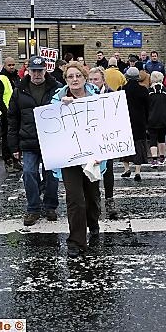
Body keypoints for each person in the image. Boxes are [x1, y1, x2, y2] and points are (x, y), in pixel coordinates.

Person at [50, 61, 105, 258]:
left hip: (92, 156)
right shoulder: (57, 100)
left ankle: (93, 222)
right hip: (69, 157)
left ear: (84, 78)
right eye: (70, 76)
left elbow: (105, 127)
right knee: (75, 199)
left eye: (78, 76)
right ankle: (76, 241)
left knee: (91, 196)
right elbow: (51, 127)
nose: (74, 80)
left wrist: (101, 153)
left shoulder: (96, 98)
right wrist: (60, 109)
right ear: (65, 80)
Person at [7, 55, 62, 226]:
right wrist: (13, 146)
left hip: (51, 141)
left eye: (40, 70)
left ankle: (50, 206)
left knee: (52, 176)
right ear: (28, 71)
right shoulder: (19, 91)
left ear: (45, 70)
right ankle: (33, 208)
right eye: (34, 70)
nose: (37, 74)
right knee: (29, 173)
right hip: (29, 140)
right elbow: (12, 120)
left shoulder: (57, 89)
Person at [88, 67, 116, 214]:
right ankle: (96, 200)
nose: (93, 82)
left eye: (96, 79)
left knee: (108, 169)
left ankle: (110, 200)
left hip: (107, 138)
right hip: (91, 138)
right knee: (93, 170)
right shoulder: (85, 94)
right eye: (90, 80)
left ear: (103, 80)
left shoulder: (111, 94)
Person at [120, 67, 149, 181]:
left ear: (127, 77)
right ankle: (137, 171)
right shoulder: (143, 90)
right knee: (139, 145)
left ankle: (126, 169)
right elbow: (148, 107)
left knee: (126, 145)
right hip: (140, 121)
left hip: (125, 120)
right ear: (138, 77)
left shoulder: (122, 89)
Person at [0, 56, 21, 173]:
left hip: (16, 113)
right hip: (7, 114)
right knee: (6, 139)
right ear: (4, 66)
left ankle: (16, 161)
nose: (12, 67)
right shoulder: (0, 79)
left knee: (16, 138)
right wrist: (5, 113)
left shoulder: (16, 77)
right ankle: (8, 161)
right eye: (9, 65)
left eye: (13, 65)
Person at [148, 71, 166, 167]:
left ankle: (154, 159)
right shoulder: (165, 92)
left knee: (153, 139)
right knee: (161, 139)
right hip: (164, 118)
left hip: (151, 118)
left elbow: (146, 107)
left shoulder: (149, 92)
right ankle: (162, 157)